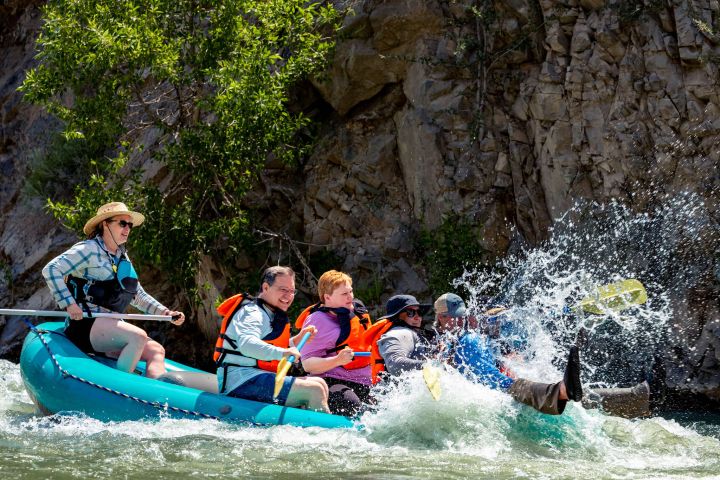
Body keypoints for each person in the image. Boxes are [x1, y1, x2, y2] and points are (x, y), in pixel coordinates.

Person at [435, 293, 651, 418]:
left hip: (503, 388)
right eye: (449, 318)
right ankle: (633, 400)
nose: (452, 322)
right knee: (557, 392)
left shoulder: (470, 337)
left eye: (450, 318)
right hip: (502, 391)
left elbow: (523, 318)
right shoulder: (463, 340)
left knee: (554, 391)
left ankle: (633, 398)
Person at [42, 202, 185, 379]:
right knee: (138, 337)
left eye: (130, 225)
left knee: (156, 350)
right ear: (105, 224)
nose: (127, 229)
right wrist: (69, 304)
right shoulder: (88, 249)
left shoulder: (122, 257)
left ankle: (155, 397)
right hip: (86, 323)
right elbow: (51, 269)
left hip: (111, 327)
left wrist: (165, 312)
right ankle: (123, 390)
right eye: (122, 223)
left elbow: (137, 295)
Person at [214, 266, 330, 412]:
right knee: (314, 390)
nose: (288, 296)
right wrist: (283, 353)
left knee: (320, 383)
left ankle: (310, 423)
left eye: (292, 291)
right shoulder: (252, 313)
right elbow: (247, 345)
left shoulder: (269, 312)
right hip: (240, 381)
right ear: (266, 287)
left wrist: (297, 340)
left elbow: (268, 344)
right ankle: (329, 432)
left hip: (257, 377)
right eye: (283, 290)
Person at [298, 270, 373, 415]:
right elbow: (307, 364)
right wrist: (337, 360)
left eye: (351, 291)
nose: (350, 297)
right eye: (344, 294)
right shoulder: (317, 320)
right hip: (331, 380)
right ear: (327, 297)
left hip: (364, 380)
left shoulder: (359, 314)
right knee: (351, 405)